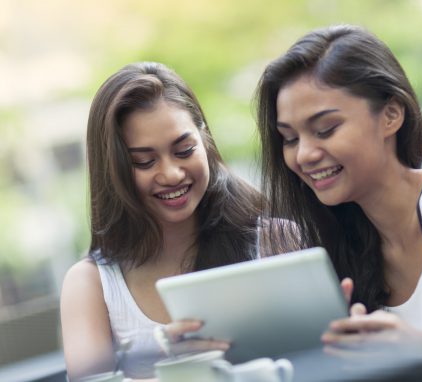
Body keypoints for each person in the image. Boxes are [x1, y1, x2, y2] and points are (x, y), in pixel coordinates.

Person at [255, 24, 422, 361]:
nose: (304, 155)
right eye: (290, 138)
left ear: (391, 115)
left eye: (325, 129)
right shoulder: (338, 245)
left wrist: (418, 346)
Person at [60, 62, 275, 381]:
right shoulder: (91, 285)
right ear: (112, 170)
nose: (172, 174)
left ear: (205, 141)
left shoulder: (272, 239)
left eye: (184, 150)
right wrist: (164, 364)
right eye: (144, 162)